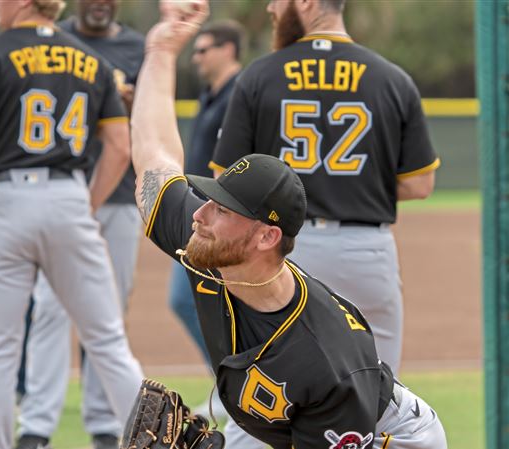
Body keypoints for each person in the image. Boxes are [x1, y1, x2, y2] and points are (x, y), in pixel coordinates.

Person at [128, 1, 447, 448]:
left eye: (221, 209)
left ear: (266, 235)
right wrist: (160, 52)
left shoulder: (325, 357)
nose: (199, 214)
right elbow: (153, 158)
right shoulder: (212, 246)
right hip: (364, 245)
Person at [0, 0, 144, 448]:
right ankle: (158, 443)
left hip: (7, 201)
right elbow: (119, 146)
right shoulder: (94, 61)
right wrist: (85, 206)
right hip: (70, 195)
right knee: (110, 344)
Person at [212, 0, 438, 374]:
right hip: (366, 251)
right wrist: (356, 185)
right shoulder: (392, 78)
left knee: (266, 388)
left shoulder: (260, 75)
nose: (271, 7)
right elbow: (420, 183)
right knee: (377, 394)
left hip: (282, 251)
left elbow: (227, 179)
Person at [15, 1, 145, 448]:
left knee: (109, 313)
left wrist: (133, 102)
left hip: (121, 193)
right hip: (65, 190)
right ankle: (36, 425)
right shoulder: (55, 43)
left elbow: (153, 119)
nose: (99, 4)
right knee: (50, 306)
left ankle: (105, 424)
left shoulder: (137, 48)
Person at [167, 20, 242, 417]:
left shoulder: (238, 93)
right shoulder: (211, 94)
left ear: (228, 49)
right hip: (200, 213)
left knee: (188, 298)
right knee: (187, 301)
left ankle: (237, 383)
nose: (196, 57)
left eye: (204, 49)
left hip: (222, 218)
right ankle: (230, 381)